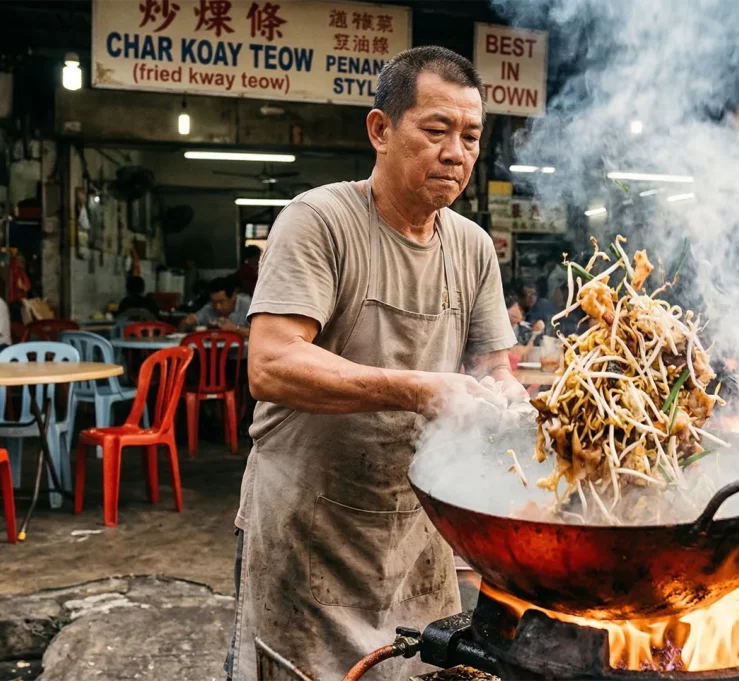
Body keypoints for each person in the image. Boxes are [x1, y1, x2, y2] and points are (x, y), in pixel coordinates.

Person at [224, 47, 524, 681]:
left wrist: (504, 399)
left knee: (421, 670)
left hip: (417, 526)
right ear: (381, 130)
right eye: (436, 130)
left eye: (471, 137)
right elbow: (272, 365)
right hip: (309, 523)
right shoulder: (319, 220)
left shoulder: (470, 246)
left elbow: (496, 367)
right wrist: (422, 389)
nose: (457, 153)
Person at [181, 277, 252, 337]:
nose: (217, 307)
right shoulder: (209, 307)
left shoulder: (248, 305)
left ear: (233, 297)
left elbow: (261, 334)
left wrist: (235, 329)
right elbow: (180, 330)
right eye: (214, 302)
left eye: (221, 302)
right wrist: (185, 323)